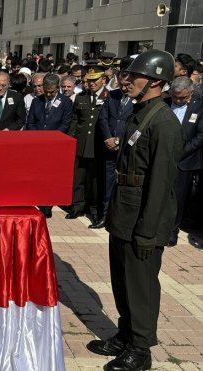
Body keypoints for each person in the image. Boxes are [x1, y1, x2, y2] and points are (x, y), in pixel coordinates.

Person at [86, 49, 185, 371]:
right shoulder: (140, 113)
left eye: (134, 76)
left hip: (144, 219)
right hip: (125, 212)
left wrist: (147, 230)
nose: (125, 80)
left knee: (141, 285)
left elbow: (160, 184)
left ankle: (140, 349)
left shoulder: (164, 123)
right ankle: (126, 334)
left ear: (156, 82)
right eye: (127, 75)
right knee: (122, 280)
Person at [26, 73, 73, 218]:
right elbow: (31, 122)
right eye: (46, 91)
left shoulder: (66, 102)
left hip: (55, 144)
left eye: (51, 92)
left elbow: (66, 123)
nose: (48, 94)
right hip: (38, 144)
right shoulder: (37, 101)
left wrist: (52, 138)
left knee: (51, 175)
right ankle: (39, 201)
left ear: (57, 88)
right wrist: (39, 137)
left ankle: (48, 203)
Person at [66, 65, 109, 224]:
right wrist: (71, 140)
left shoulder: (108, 97)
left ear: (103, 80)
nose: (91, 83)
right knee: (78, 178)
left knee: (94, 181)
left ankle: (94, 210)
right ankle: (77, 207)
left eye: (94, 80)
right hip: (81, 143)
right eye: (88, 80)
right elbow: (75, 121)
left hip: (97, 145)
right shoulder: (80, 97)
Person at [165, 76, 203, 246]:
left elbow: (200, 135)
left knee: (177, 199)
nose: (179, 101)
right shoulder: (164, 102)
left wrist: (181, 152)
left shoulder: (199, 105)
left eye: (183, 98)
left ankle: (172, 231)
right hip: (162, 157)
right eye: (175, 97)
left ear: (191, 93)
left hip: (184, 160)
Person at [96, 71, 134, 229]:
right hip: (109, 147)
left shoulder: (139, 98)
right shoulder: (112, 95)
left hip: (127, 149)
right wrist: (108, 138)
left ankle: (120, 219)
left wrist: (119, 140)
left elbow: (135, 123)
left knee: (124, 186)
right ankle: (104, 216)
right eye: (121, 84)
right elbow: (103, 118)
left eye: (127, 85)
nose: (124, 88)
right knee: (108, 184)